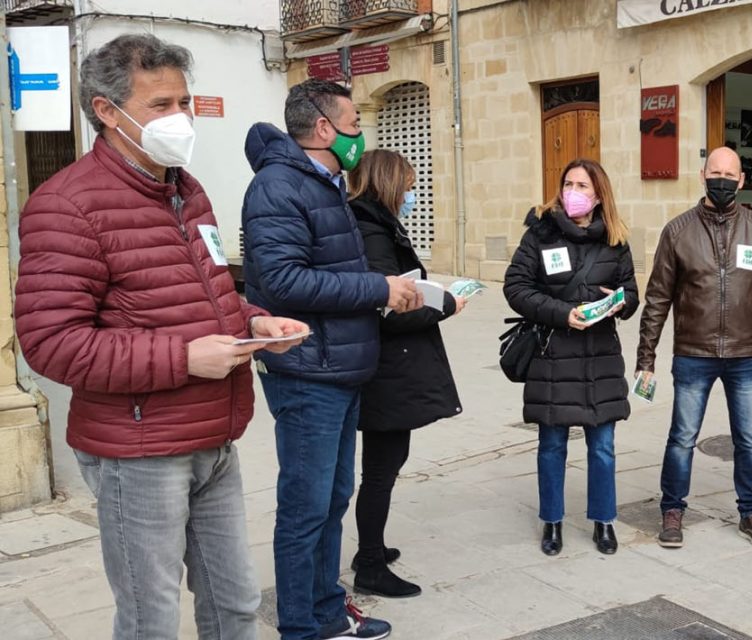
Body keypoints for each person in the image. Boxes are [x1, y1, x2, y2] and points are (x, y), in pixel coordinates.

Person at [14, 34, 308, 640]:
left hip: (214, 434)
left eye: (184, 102)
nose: (179, 117)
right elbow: (51, 343)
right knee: (151, 617)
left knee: (235, 605)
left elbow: (201, 287)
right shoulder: (65, 205)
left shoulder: (185, 188)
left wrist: (250, 320)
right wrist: (182, 358)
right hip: (138, 451)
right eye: (160, 104)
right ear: (106, 110)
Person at [242, 79, 422, 640]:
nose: (359, 133)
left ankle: (326, 609)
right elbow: (281, 280)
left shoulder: (325, 184)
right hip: (306, 371)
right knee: (305, 507)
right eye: (354, 121)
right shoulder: (279, 187)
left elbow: (329, 269)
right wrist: (377, 289)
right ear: (324, 126)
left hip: (339, 368)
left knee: (333, 498)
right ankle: (301, 626)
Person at [637, 147, 752, 551]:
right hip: (693, 353)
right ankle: (672, 510)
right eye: (715, 172)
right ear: (703, 175)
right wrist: (645, 358)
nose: (722, 179)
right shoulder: (678, 231)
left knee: (750, 440)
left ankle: (751, 513)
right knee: (682, 437)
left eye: (729, 174)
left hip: (746, 354)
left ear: (741, 181)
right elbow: (657, 298)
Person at [504, 159, 639, 556]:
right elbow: (516, 287)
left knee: (603, 446)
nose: (573, 191)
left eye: (582, 184)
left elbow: (631, 294)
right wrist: (563, 313)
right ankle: (552, 520)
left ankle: (603, 521)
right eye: (568, 183)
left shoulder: (616, 240)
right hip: (553, 354)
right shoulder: (541, 233)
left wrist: (617, 302)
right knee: (552, 445)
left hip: (600, 357)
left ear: (599, 195)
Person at [348, 149, 465, 598]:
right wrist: (446, 305)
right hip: (385, 371)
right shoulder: (371, 231)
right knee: (380, 469)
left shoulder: (374, 224)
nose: (413, 194)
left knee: (388, 463)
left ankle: (370, 548)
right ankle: (370, 565)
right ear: (389, 185)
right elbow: (389, 311)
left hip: (389, 367)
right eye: (410, 185)